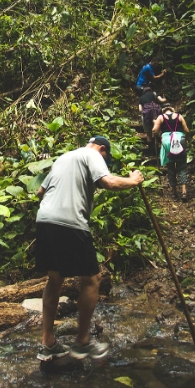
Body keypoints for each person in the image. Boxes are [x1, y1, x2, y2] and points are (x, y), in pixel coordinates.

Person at [35, 136, 144, 361]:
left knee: (54, 280)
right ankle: (82, 342)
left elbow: (40, 192)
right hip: (70, 221)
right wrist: (133, 181)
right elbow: (108, 183)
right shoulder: (92, 154)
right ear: (102, 149)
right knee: (92, 280)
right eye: (106, 157)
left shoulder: (63, 158)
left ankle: (48, 342)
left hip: (44, 220)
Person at [152, 106, 190, 200]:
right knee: (182, 167)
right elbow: (186, 130)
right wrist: (185, 139)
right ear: (172, 110)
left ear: (164, 111)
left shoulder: (161, 117)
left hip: (167, 142)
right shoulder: (179, 116)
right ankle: (184, 192)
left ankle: (174, 193)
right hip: (180, 140)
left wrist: (154, 123)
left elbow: (154, 130)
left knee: (171, 168)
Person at [138, 86, 165, 154]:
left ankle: (151, 150)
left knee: (148, 134)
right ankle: (162, 148)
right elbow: (162, 100)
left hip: (146, 116)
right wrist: (165, 98)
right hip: (156, 114)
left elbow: (140, 109)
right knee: (159, 131)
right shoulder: (154, 94)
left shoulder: (141, 98)